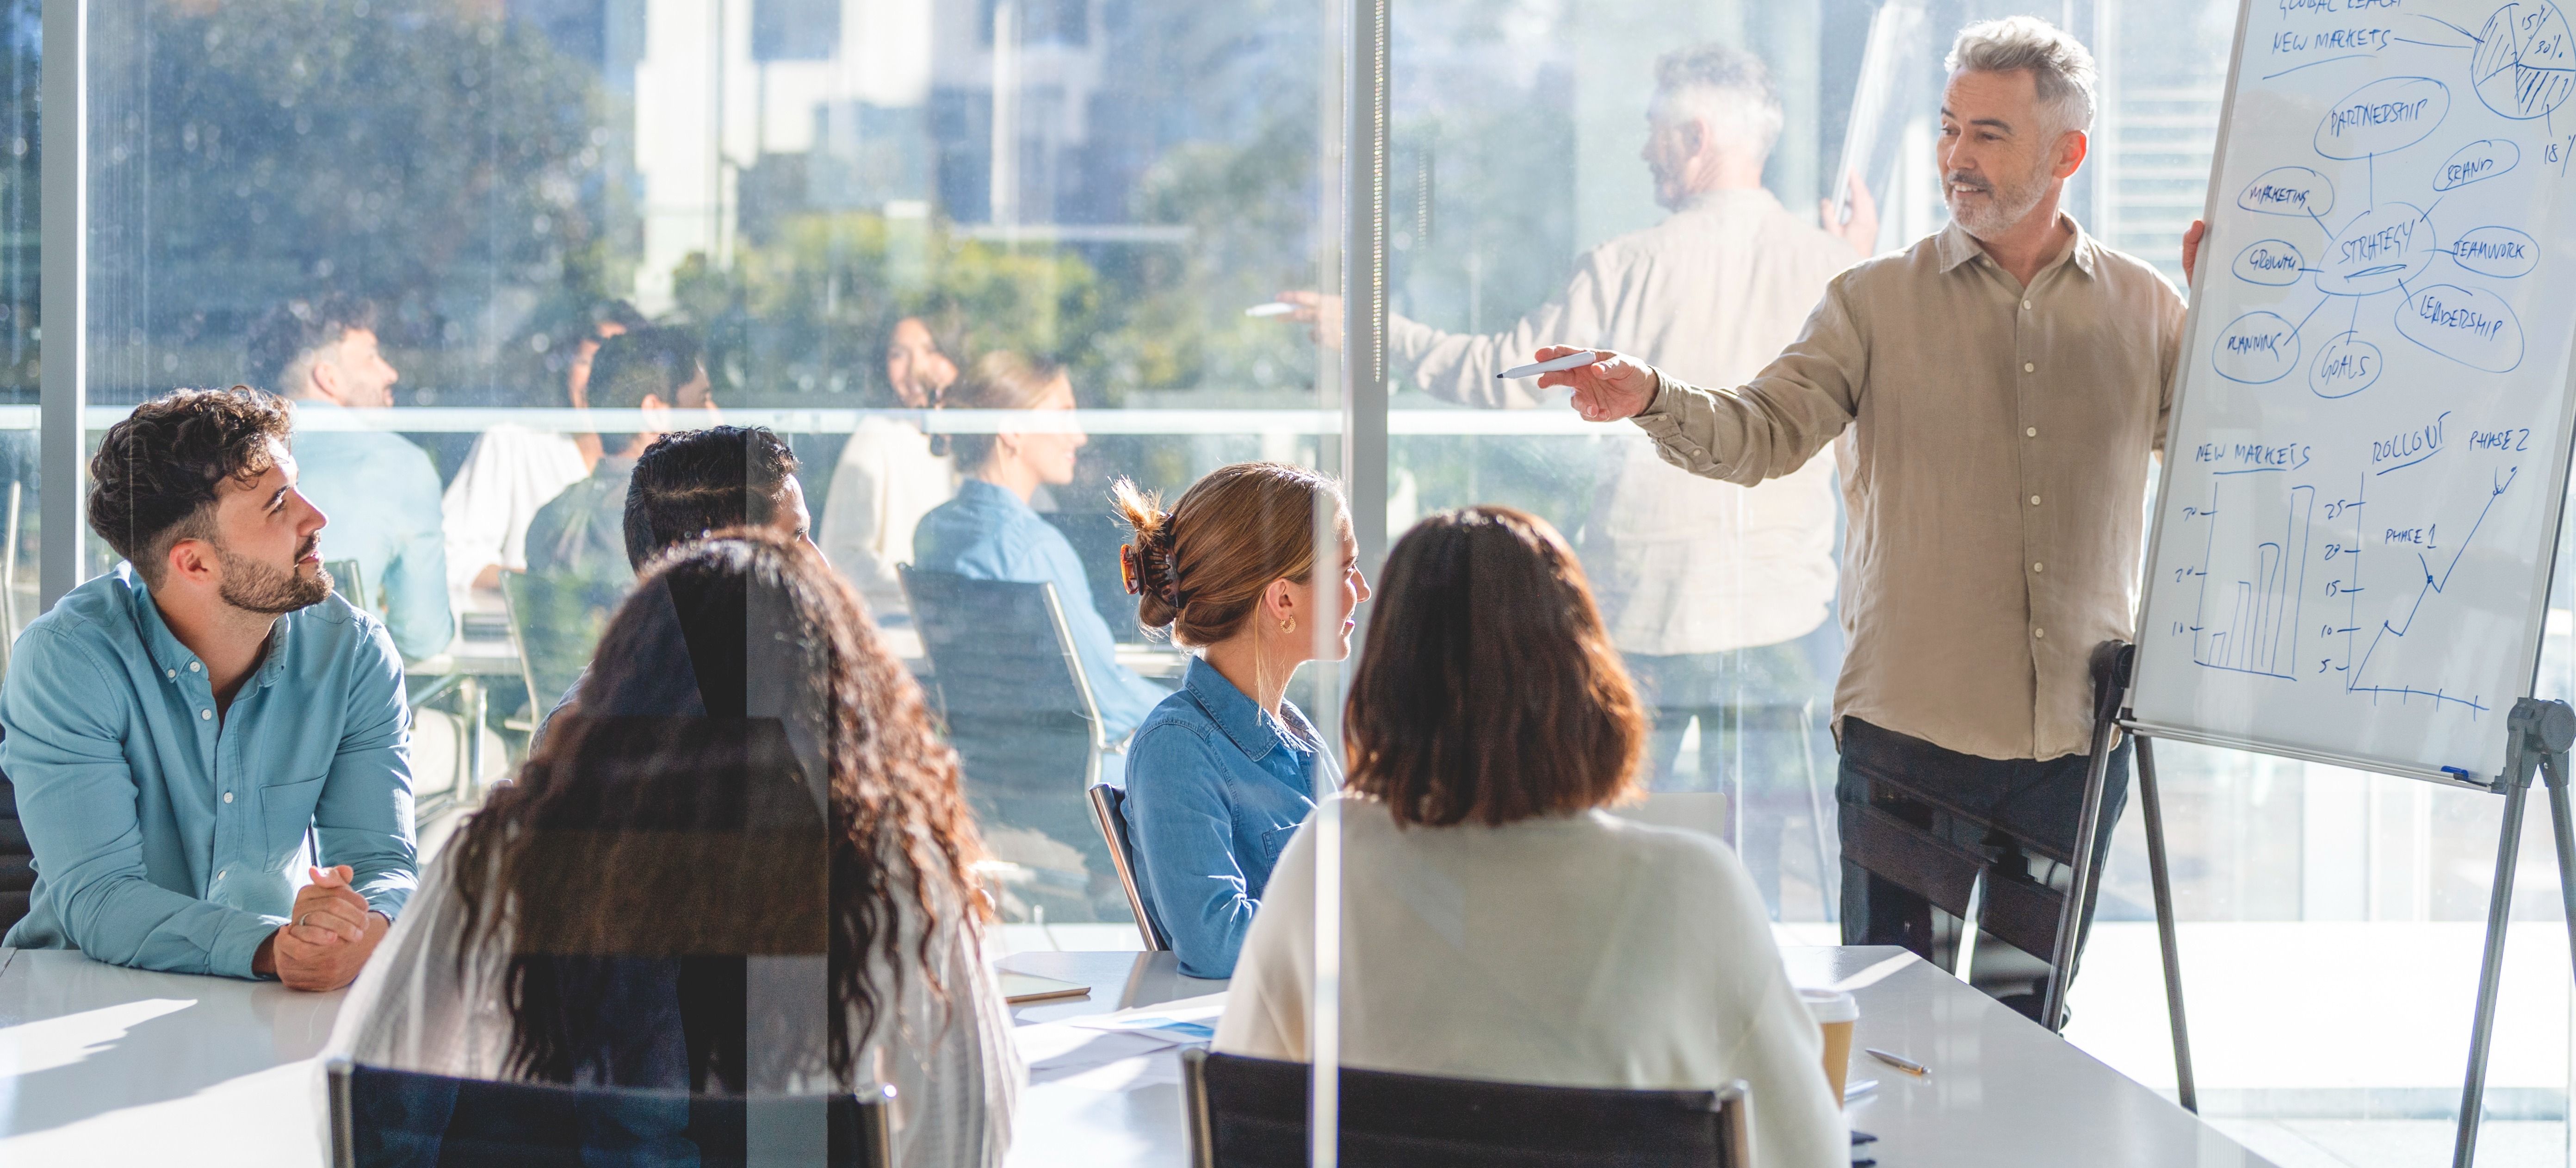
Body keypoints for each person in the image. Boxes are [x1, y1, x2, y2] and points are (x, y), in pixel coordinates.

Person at [1540, 17, 2189, 1019]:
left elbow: (2232, 464)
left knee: (2029, 1028)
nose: (1955, 159)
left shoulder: (2149, 311)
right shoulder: (1871, 301)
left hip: (2072, 753)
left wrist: (2243, 314)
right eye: (1949, 129)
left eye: (1989, 135)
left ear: (2069, 154)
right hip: (1907, 746)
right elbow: (1760, 431)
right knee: (1896, 1030)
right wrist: (1652, 394)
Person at [1278, 45, 1870, 915]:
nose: (1643, 152)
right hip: (1783, 620)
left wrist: (1371, 331)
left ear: (1695, 135)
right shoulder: (1837, 268)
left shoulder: (1629, 263)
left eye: (1652, 132)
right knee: (1766, 831)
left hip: (1649, 608)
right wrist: (1844, 253)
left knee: (1622, 825)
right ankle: (1747, 947)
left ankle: (1621, 957)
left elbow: (1500, 375)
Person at [329, 534, 1020, 1166]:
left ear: (620, 687)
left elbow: (370, 1114)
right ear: (837, 702)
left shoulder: (494, 862)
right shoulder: (896, 875)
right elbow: (973, 1136)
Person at [1216, 507, 1841, 1168]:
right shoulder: (1695, 886)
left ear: (1385, 680)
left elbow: (1247, 1122)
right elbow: (1808, 1152)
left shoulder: (1333, 855)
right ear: (1583, 674)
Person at [1, 388, 416, 988]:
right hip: (78, 989)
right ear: (195, 564)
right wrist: (273, 949)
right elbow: (102, 899)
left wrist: (363, 933)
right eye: (278, 504)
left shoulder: (352, 653)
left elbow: (384, 863)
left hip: (270, 1000)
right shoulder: (68, 660)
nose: (315, 517)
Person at [1108, 463, 1368, 978]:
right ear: (1283, 598)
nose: (1361, 588)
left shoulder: (1296, 734)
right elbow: (1216, 942)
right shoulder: (1176, 748)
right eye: (1345, 570)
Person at [911, 351, 1165, 738]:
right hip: (1081, 775)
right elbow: (1104, 699)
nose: (1079, 435)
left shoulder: (934, 531)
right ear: (1012, 432)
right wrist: (1203, 721)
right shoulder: (1036, 550)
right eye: (1063, 414)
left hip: (993, 763)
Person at [526, 424, 813, 743]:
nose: (821, 564)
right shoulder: (598, 737)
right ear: (715, 561)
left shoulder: (590, 723)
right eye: (795, 537)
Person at [248, 294, 453, 661]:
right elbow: (423, 639)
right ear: (328, 378)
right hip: (344, 707)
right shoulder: (401, 465)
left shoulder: (225, 461)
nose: (390, 373)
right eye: (372, 356)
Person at [440, 301, 650, 596]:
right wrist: (544, 589)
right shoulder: (513, 444)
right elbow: (450, 554)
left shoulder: (662, 468)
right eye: (586, 362)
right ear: (567, 370)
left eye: (613, 369)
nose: (595, 381)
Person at [523, 327, 718, 597]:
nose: (715, 416)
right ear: (654, 413)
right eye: (704, 399)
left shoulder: (550, 519)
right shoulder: (678, 529)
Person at [817, 303, 970, 620]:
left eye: (930, 350)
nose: (916, 369)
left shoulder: (977, 441)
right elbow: (842, 557)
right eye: (899, 355)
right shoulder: (876, 437)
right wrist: (929, 592)